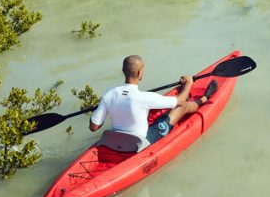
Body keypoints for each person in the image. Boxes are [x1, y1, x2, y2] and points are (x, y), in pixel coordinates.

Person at [89, 54, 217, 148]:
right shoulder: (144, 97)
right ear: (139, 73)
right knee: (181, 108)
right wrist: (188, 84)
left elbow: (94, 127)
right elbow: (179, 100)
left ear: (123, 71)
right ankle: (205, 98)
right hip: (141, 143)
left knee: (149, 111)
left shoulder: (108, 94)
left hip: (115, 142)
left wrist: (101, 107)